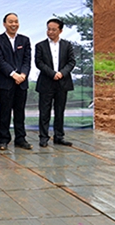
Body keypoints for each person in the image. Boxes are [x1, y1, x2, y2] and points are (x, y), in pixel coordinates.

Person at [0, 13, 32, 151]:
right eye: (10, 22)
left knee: (20, 112)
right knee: (5, 112)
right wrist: (14, 75)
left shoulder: (24, 40)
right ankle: (3, 139)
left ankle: (20, 139)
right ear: (4, 24)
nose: (13, 24)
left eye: (16, 21)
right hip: (6, 82)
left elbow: (27, 60)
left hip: (22, 82)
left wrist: (23, 75)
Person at [35, 18, 76, 147]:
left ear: (60, 31)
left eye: (53, 29)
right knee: (44, 112)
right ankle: (43, 137)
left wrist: (62, 73)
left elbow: (71, 62)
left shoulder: (67, 45)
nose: (50, 32)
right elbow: (39, 63)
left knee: (59, 111)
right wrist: (52, 73)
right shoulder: (40, 45)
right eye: (48, 29)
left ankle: (59, 136)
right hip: (46, 82)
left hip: (62, 82)